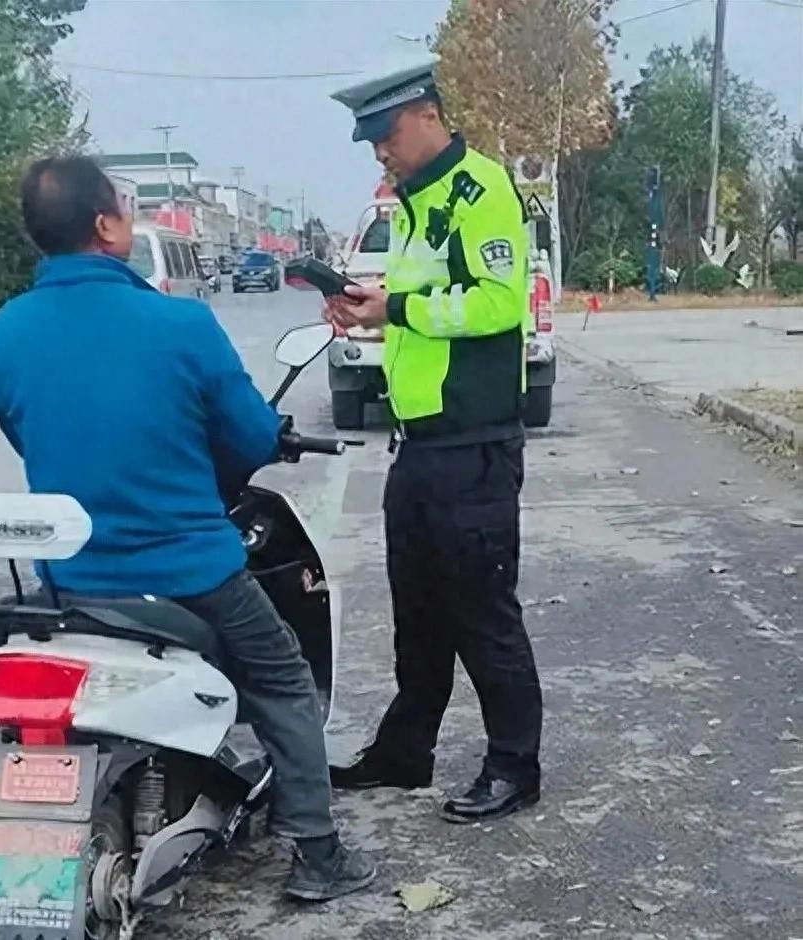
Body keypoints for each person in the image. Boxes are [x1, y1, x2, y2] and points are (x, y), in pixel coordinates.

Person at [0, 155, 375, 901]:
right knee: (283, 676)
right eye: (124, 209)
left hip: (69, 580)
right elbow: (249, 434)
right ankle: (318, 854)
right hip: (190, 573)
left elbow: (20, 427)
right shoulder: (179, 323)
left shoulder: (10, 329)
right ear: (106, 226)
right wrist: (266, 438)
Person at [325, 60, 544, 823]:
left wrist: (398, 308)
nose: (380, 151)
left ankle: (514, 765)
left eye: (385, 134)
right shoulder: (416, 202)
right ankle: (404, 751)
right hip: (418, 445)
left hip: (473, 445)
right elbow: (425, 305)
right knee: (417, 613)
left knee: (483, 614)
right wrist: (371, 309)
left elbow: (498, 303)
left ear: (426, 115)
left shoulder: (481, 190)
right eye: (371, 142)